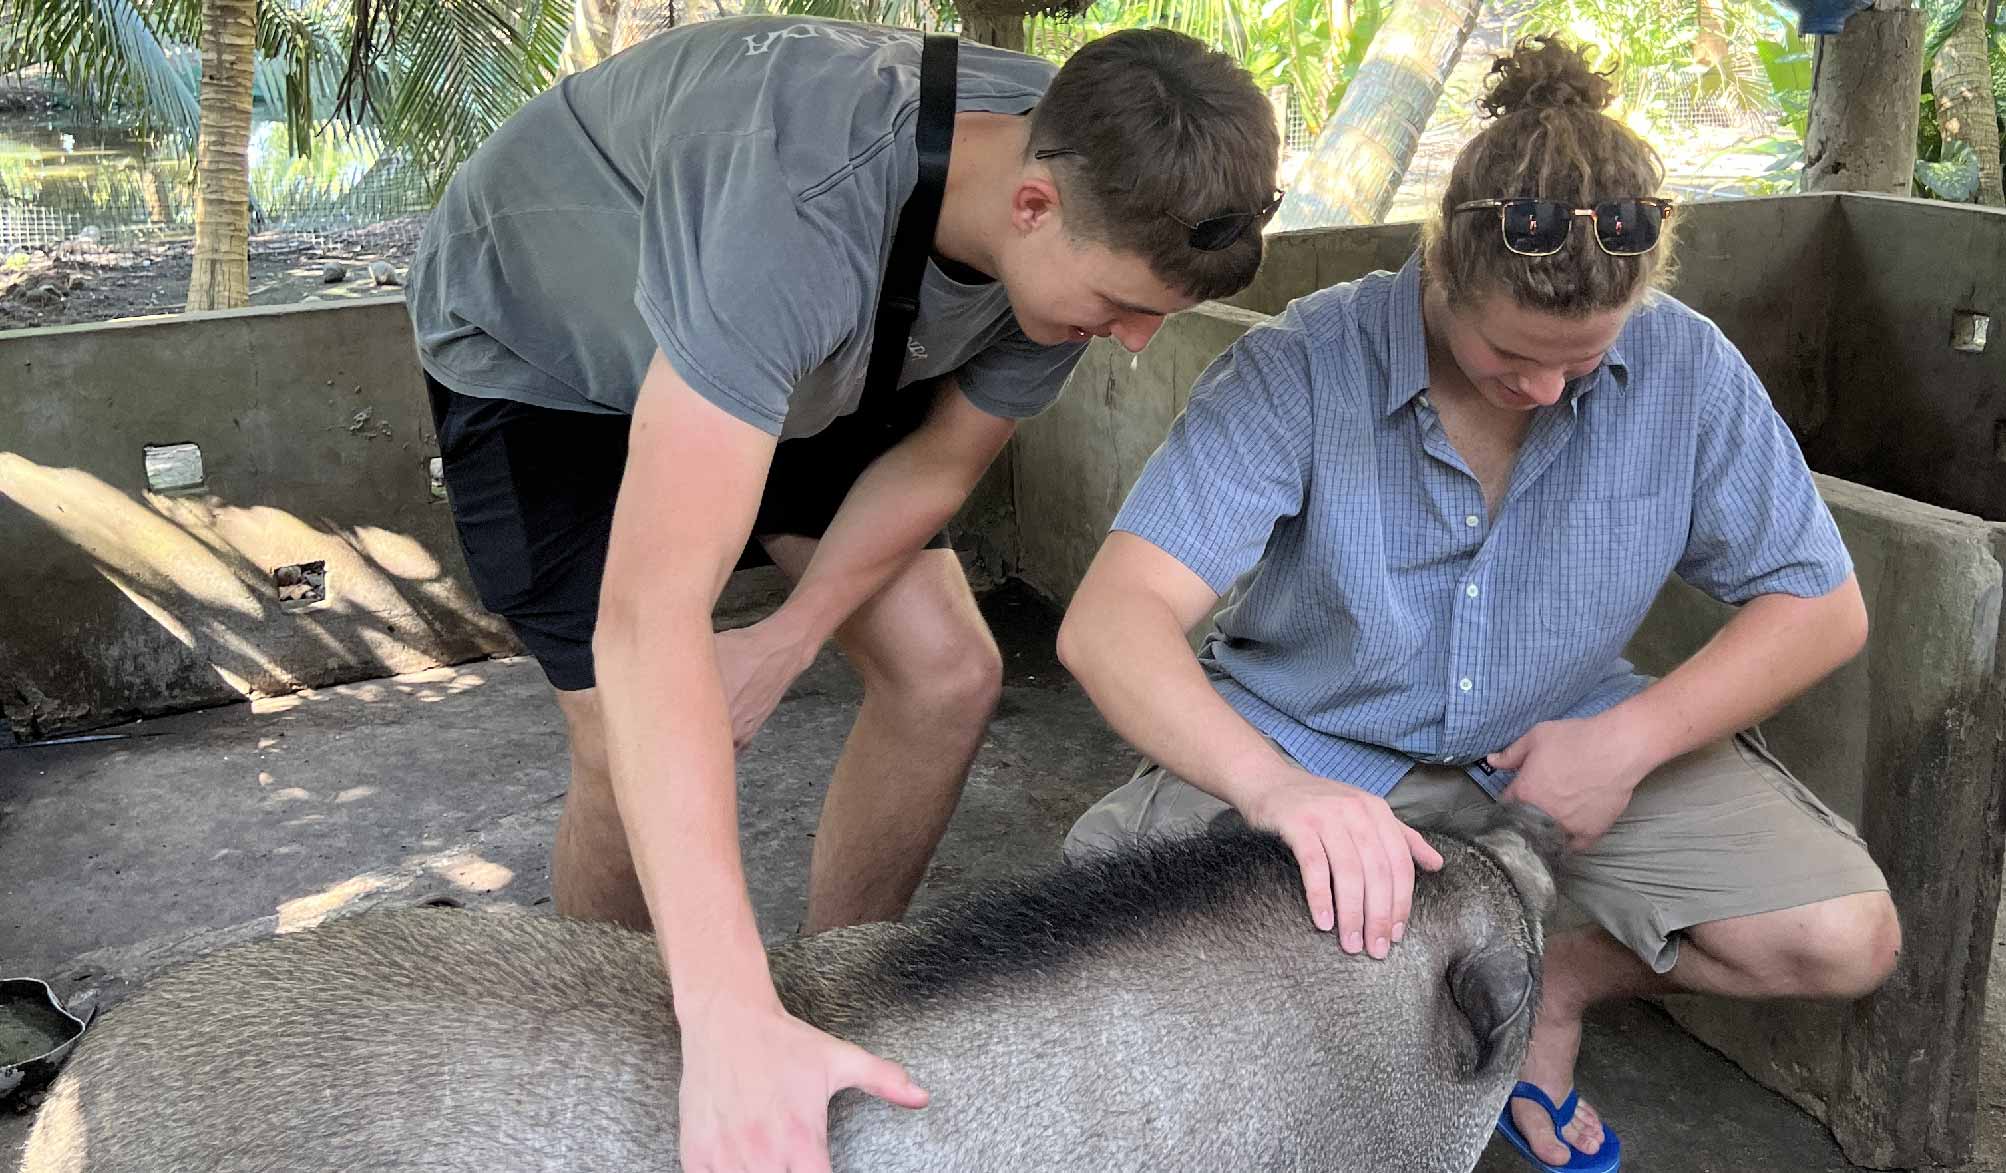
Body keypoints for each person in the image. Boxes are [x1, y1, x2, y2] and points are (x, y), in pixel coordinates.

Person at [405, 14, 1281, 1170]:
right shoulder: (799, 204)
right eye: (1119, 306)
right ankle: (637, 1058)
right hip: (545, 354)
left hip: (808, 356)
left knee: (946, 672)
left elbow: (939, 463)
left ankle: (829, 1007)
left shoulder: (1101, 177)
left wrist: (787, 637)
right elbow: (648, 620)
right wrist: (725, 1006)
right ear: (1030, 206)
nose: (1129, 342)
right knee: (626, 741)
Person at [1054, 36, 1900, 1173]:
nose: (1544, 391)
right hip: (1316, 740)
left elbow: (1822, 605)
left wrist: (1625, 742)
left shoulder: (1686, 367)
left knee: (1837, 935)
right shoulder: (1304, 365)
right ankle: (1420, 984)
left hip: (1558, 743)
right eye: (1510, 357)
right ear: (1438, 271)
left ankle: (1545, 988)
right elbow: (1111, 622)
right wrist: (1277, 790)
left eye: (1582, 364)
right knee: (1106, 949)